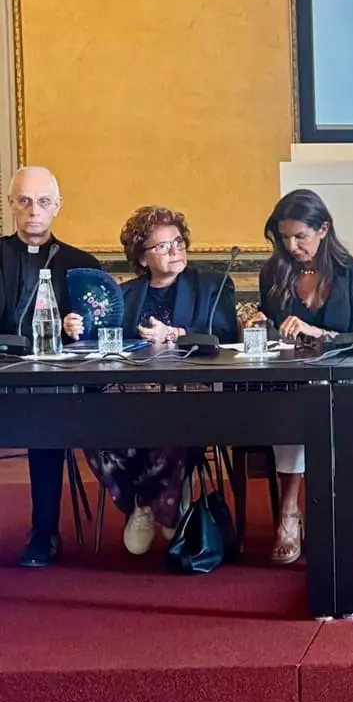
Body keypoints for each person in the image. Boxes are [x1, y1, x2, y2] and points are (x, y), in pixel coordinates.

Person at [78, 206, 238, 555]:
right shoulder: (124, 296)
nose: (175, 250)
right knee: (88, 423)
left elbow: (226, 334)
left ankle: (156, 505)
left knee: (172, 417)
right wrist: (77, 326)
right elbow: (105, 346)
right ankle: (152, 502)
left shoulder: (212, 285)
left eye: (178, 242)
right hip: (133, 394)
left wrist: (176, 334)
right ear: (142, 257)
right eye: (163, 246)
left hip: (192, 393)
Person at [257, 189, 353, 564]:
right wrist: (260, 325)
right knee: (294, 405)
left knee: (316, 402)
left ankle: (327, 512)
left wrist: (317, 332)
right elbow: (272, 333)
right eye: (284, 237)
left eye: (300, 236)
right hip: (290, 380)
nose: (292, 246)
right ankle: (289, 510)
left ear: (323, 229)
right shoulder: (273, 273)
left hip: (344, 381)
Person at [0, 166, 100, 567]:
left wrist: (79, 328)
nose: (33, 211)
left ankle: (44, 532)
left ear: (57, 206)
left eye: (43, 202)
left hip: (53, 386)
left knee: (46, 412)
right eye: (24, 201)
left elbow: (102, 331)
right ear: (11, 204)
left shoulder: (81, 264)